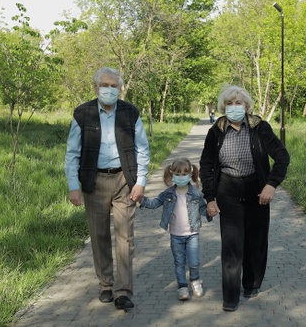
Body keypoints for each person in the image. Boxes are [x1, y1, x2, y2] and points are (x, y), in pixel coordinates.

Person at [64, 67, 150, 311]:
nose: (109, 90)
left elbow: (142, 148)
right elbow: (72, 153)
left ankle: (122, 291)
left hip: (124, 179)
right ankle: (105, 284)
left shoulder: (130, 112)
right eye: (105, 85)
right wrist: (73, 187)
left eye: (114, 86)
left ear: (120, 88)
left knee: (125, 237)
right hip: (94, 180)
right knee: (99, 234)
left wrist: (141, 181)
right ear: (95, 87)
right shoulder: (83, 113)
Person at [199, 85, 290, 312]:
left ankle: (251, 283)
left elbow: (282, 157)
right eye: (229, 104)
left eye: (238, 103)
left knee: (255, 241)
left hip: (256, 191)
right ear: (223, 107)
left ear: (247, 106)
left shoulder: (260, 128)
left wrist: (271, 184)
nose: (233, 107)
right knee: (232, 244)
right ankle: (230, 297)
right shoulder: (216, 130)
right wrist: (210, 198)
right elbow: (206, 165)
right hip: (227, 190)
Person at [138, 157, 211, 301]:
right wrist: (142, 200)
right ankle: (182, 286)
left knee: (194, 261)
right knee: (179, 262)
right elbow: (154, 203)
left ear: (190, 174)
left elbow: (203, 209)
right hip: (176, 235)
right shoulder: (168, 193)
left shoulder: (196, 193)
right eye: (178, 174)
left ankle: (195, 280)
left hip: (192, 234)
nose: (181, 177)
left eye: (185, 174)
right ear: (172, 174)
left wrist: (211, 211)